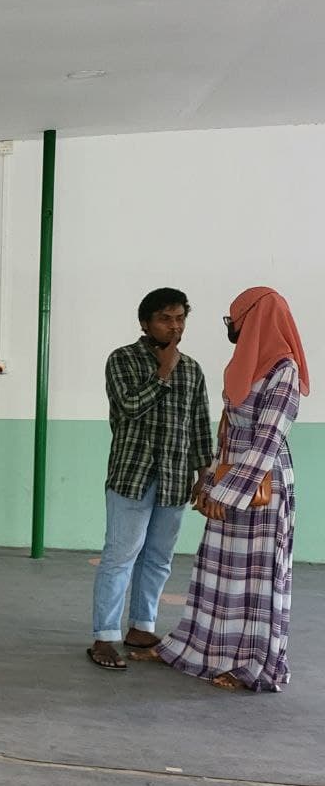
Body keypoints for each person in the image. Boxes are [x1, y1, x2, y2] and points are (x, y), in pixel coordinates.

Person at [135, 287, 309, 692]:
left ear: (255, 318)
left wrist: (225, 493)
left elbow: (266, 440)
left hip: (261, 490)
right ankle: (202, 651)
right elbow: (228, 431)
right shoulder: (246, 365)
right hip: (232, 483)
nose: (232, 327)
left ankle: (254, 666)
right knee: (218, 575)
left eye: (236, 319)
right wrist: (211, 483)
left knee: (257, 580)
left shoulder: (283, 369)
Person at [88, 288, 213, 671]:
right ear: (145, 323)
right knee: (120, 556)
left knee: (158, 559)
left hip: (175, 478)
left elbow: (199, 425)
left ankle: (142, 627)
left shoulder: (192, 369)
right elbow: (127, 409)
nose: (174, 327)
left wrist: (204, 472)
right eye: (165, 319)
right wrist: (162, 372)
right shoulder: (122, 359)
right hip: (132, 476)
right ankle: (105, 636)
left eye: (180, 319)